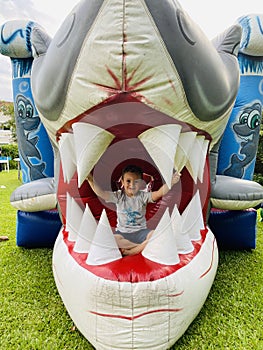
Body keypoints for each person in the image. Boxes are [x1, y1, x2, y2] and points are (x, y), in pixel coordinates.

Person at [87, 165, 181, 256]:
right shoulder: (119, 196)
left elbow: (159, 193)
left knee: (155, 234)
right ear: (122, 182)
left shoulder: (143, 196)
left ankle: (132, 251)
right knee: (112, 239)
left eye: (136, 182)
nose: (132, 185)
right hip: (122, 233)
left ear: (141, 183)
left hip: (141, 232)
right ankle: (140, 247)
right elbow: (102, 194)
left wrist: (171, 182)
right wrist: (90, 179)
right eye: (128, 181)